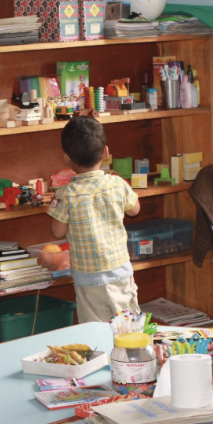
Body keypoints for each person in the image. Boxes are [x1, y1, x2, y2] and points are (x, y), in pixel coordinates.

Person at [47, 117, 141, 323]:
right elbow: (135, 210)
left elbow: (57, 232)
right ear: (106, 153)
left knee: (94, 332)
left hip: (87, 278)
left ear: (66, 158)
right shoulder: (117, 184)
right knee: (128, 329)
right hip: (119, 272)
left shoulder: (67, 193)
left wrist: (55, 203)